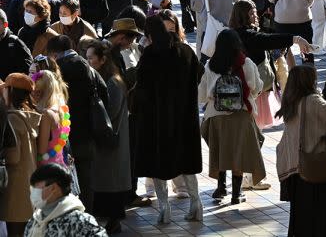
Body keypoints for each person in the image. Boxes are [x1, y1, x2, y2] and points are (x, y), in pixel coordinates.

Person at [132, 14, 203, 224]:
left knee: (158, 163)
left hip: (156, 120)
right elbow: (198, 75)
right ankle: (196, 203)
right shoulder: (185, 51)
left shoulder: (150, 55)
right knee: (187, 161)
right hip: (184, 117)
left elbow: (141, 88)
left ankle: (164, 209)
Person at [275, 65, 326, 237]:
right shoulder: (312, 101)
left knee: (301, 222)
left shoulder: (291, 100)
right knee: (316, 223)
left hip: (296, 172)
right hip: (314, 172)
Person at [198, 29, 265, 205]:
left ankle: (221, 188)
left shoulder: (211, 64)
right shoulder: (246, 63)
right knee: (238, 153)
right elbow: (257, 87)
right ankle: (236, 194)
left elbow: (202, 95)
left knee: (220, 151)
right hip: (241, 115)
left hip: (216, 116)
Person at [84, 40, 131, 234]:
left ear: (102, 60)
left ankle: (114, 220)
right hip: (109, 141)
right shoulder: (105, 78)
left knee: (112, 182)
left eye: (90, 58)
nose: (88, 62)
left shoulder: (112, 82)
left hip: (112, 141)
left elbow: (109, 113)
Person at [1, 72, 41, 237]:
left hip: (15, 189)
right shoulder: (29, 116)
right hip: (28, 186)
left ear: (11, 91)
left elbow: (14, 156)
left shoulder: (13, 119)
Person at [23, 164, 107, 237]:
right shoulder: (35, 221)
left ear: (53, 188)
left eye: (36, 187)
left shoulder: (78, 221)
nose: (33, 191)